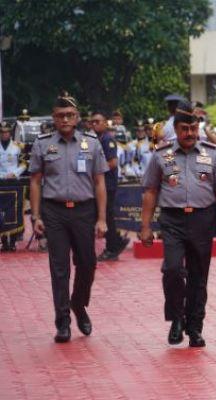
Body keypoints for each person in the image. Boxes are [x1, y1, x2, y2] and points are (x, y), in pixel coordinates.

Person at [140, 100, 216, 347]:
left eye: (194, 128)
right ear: (176, 128)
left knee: (198, 276)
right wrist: (145, 227)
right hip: (172, 219)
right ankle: (176, 318)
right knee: (172, 270)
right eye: (185, 129)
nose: (190, 133)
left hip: (203, 219)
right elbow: (150, 191)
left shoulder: (211, 153)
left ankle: (195, 327)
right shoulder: (161, 155)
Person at [28, 92, 108, 343]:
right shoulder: (42, 144)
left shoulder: (91, 143)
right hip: (54, 212)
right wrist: (36, 216)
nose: (65, 119)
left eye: (70, 115)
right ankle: (62, 322)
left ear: (77, 118)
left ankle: (78, 303)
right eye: (60, 115)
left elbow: (99, 182)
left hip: (84, 211)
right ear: (54, 118)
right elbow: (35, 181)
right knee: (59, 268)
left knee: (87, 263)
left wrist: (102, 218)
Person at [90, 111, 129, 262]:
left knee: (106, 215)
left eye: (97, 121)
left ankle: (112, 247)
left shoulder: (107, 139)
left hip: (107, 184)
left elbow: (112, 163)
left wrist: (96, 170)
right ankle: (116, 241)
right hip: (100, 184)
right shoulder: (96, 139)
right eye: (92, 122)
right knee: (104, 215)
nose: (94, 124)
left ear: (105, 123)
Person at [0, 120, 27, 252]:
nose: (4, 134)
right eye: (2, 132)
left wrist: (15, 173)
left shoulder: (18, 146)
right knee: (1, 211)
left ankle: (13, 241)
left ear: (10, 133)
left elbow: (24, 163)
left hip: (14, 182)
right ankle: (4, 241)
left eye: (6, 132)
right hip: (0, 182)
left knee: (14, 211)